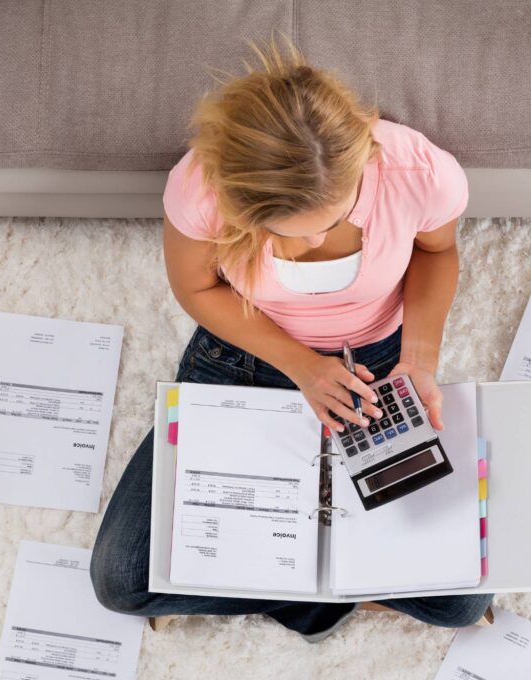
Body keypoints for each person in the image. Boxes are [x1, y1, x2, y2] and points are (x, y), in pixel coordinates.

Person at [90, 35, 493, 641]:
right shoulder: (200, 187)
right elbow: (199, 291)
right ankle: (336, 595)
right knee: (120, 581)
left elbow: (438, 253)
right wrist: (302, 366)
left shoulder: (418, 172)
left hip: (377, 364)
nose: (311, 246)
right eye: (286, 233)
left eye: (332, 222)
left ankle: (282, 586)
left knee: (463, 601)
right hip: (244, 355)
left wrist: (419, 358)